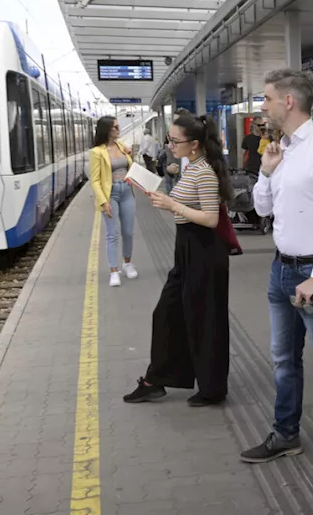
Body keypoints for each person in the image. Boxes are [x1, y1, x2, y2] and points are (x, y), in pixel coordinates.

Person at [240, 68, 313, 471]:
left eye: (267, 99)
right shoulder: (280, 149)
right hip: (281, 272)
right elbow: (262, 209)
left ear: (288, 102)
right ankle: (286, 434)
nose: (263, 107)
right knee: (283, 359)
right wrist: (266, 170)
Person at [123, 112, 233, 408]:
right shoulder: (192, 167)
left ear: (194, 144)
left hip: (204, 252)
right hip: (186, 252)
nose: (170, 144)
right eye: (169, 139)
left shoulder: (205, 172)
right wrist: (164, 199)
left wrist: (172, 203)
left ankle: (211, 389)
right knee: (167, 314)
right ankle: (155, 380)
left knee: (204, 320)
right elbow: (187, 206)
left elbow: (210, 219)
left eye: (174, 140)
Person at [90, 116, 137, 287]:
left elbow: (130, 167)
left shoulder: (122, 147)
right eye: (115, 127)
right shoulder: (97, 152)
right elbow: (94, 180)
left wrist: (131, 154)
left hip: (127, 191)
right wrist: (103, 201)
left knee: (129, 232)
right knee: (112, 233)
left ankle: (127, 263)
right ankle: (113, 271)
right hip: (111, 194)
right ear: (107, 130)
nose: (118, 130)